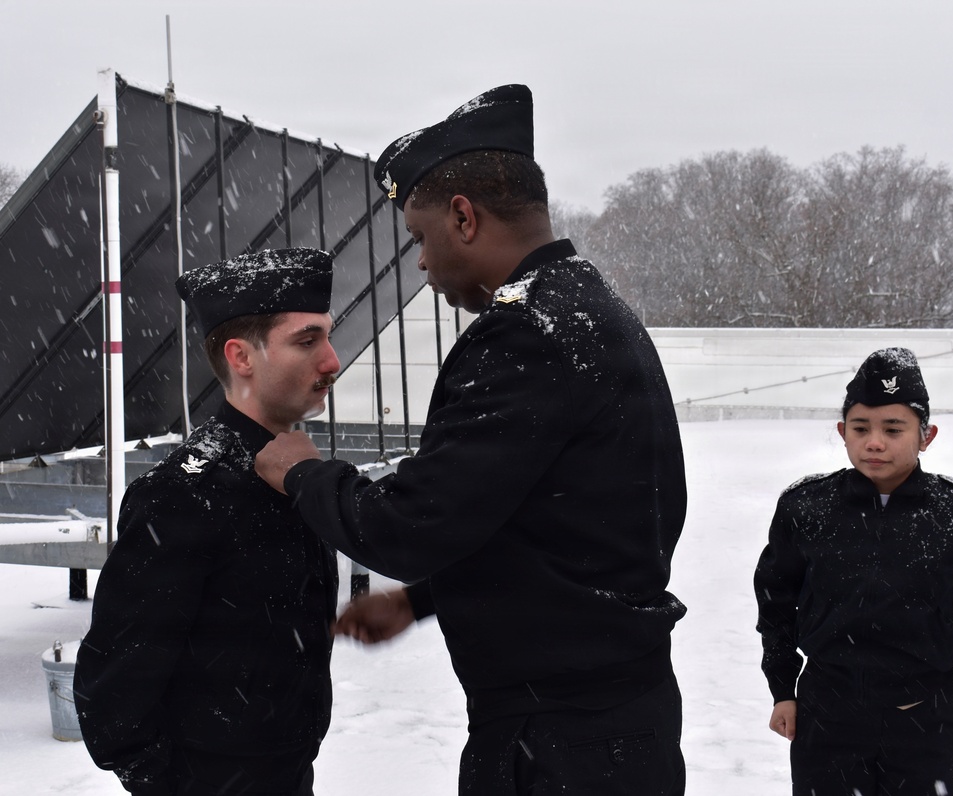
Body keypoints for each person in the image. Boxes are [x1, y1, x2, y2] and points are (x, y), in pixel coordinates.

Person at [255, 84, 688, 794]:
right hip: (609, 721)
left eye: (419, 239)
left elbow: (413, 523)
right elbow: (552, 520)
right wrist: (422, 600)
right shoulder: (591, 310)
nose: (421, 264)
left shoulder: (525, 335)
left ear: (463, 217)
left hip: (556, 743)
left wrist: (304, 473)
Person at [74, 248, 341, 795]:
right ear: (241, 357)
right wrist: (161, 779)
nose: (332, 360)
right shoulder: (186, 494)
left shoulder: (296, 471)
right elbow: (117, 676)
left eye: (328, 338)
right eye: (307, 340)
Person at [754, 347, 953, 795]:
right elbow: (775, 603)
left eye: (893, 429)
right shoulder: (806, 508)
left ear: (927, 436)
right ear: (841, 432)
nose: (874, 443)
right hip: (826, 717)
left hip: (929, 718)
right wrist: (783, 687)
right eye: (860, 427)